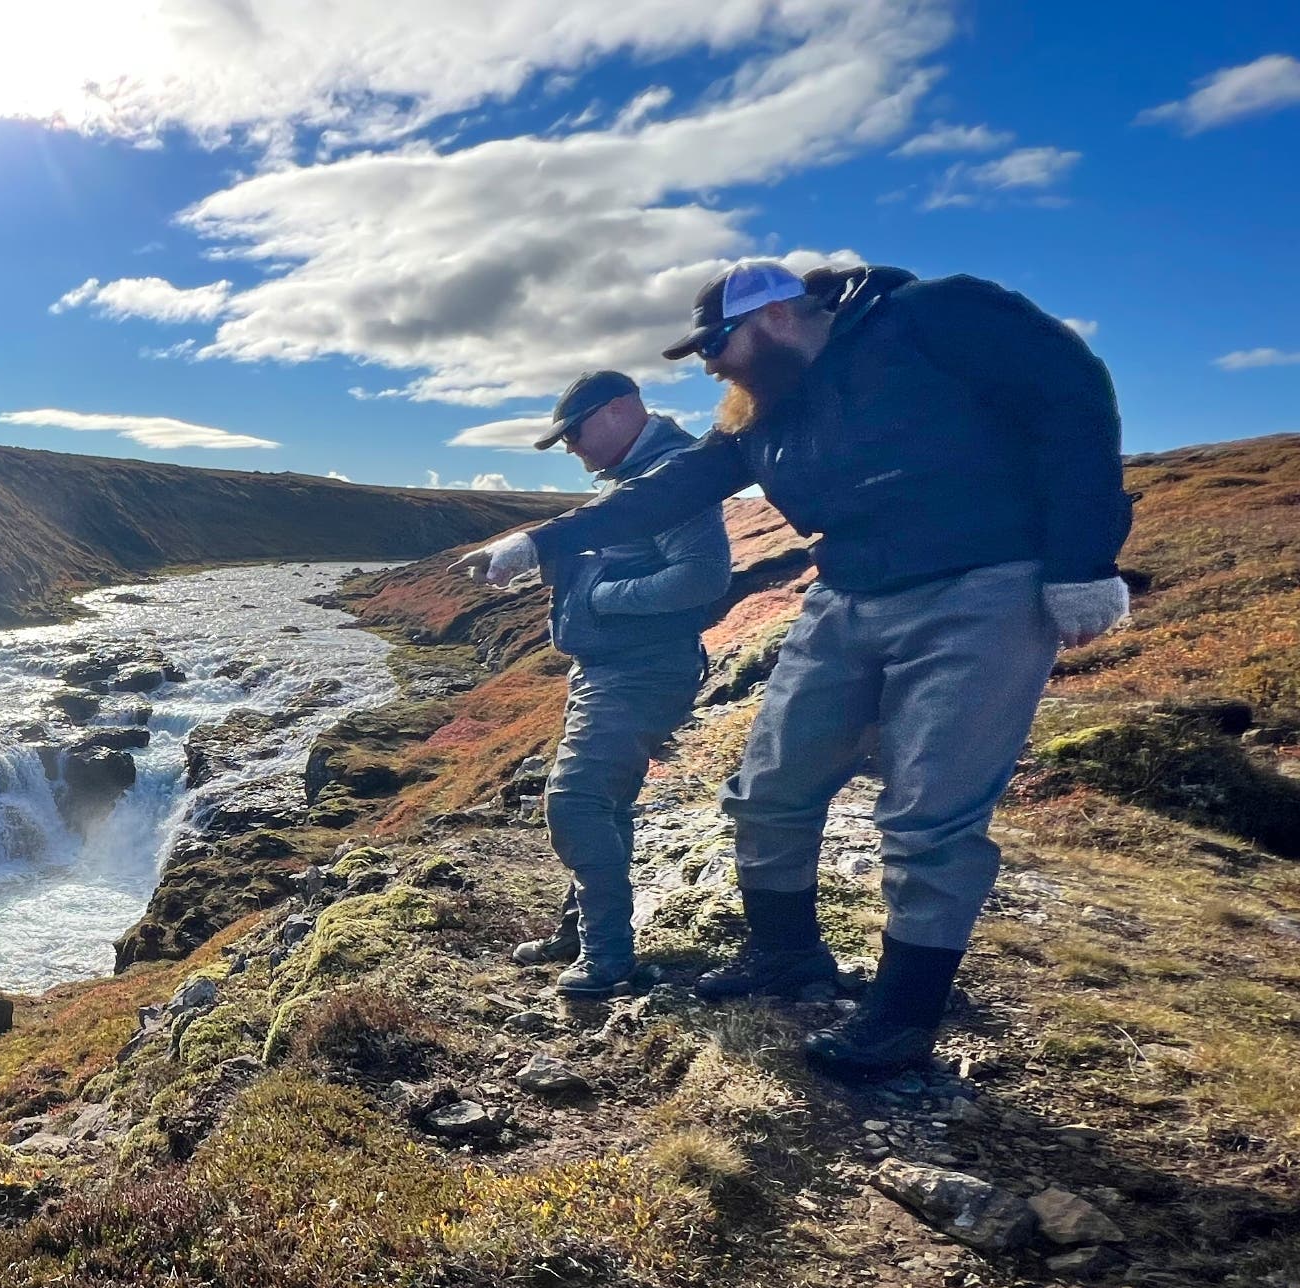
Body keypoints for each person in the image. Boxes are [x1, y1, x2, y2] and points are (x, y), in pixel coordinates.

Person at [458, 259, 1130, 1079]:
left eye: (718, 343)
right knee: (769, 789)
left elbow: (1070, 398)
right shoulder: (762, 411)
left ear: (774, 317)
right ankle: (786, 957)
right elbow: (676, 488)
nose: (712, 364)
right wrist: (541, 541)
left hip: (984, 590)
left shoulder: (936, 317)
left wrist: (1083, 561)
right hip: (847, 593)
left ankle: (902, 1018)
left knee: (930, 815)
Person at [452, 372, 730, 997]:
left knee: (575, 802)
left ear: (620, 410)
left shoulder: (674, 475)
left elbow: (703, 576)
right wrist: (531, 561)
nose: (572, 449)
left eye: (575, 433)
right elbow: (619, 554)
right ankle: (579, 931)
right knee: (605, 803)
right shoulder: (637, 480)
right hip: (614, 667)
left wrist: (600, 598)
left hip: (641, 670)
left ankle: (607, 958)